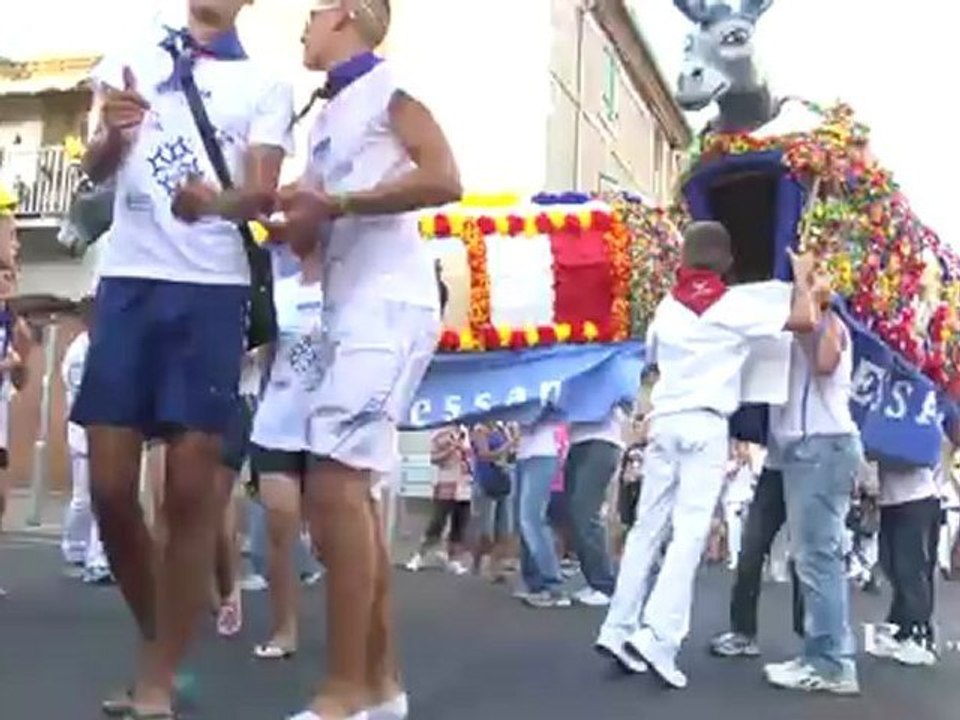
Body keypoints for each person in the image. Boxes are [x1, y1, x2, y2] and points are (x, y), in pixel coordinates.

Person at [71, 1, 295, 716]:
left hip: (211, 293)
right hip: (129, 282)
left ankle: (158, 679)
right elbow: (96, 167)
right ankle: (160, 640)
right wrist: (113, 133)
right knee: (109, 489)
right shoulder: (130, 49)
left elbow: (262, 194)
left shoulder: (265, 82)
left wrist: (216, 201)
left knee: (191, 495)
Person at [261, 2, 461, 717]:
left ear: (346, 12)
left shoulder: (391, 88)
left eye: (312, 12)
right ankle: (381, 689)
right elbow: (318, 232)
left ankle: (344, 691)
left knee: (335, 490)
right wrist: (288, 224)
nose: (303, 24)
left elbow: (445, 178)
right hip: (353, 307)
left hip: (389, 305)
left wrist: (334, 202)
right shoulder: (325, 118)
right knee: (352, 500)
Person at [595, 221, 818, 689]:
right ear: (728, 262)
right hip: (707, 423)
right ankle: (660, 635)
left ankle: (618, 627)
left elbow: (652, 357)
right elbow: (804, 320)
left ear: (684, 259)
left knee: (647, 528)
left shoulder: (667, 307)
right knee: (690, 533)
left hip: (666, 421)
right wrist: (801, 276)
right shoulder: (735, 303)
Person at [763, 283, 862, 695]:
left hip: (823, 445)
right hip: (803, 448)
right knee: (813, 557)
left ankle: (832, 663)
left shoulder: (831, 323)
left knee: (818, 558)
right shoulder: (792, 326)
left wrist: (805, 287)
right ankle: (823, 656)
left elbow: (823, 363)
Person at [248, 246, 325, 658]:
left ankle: (354, 631)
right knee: (281, 529)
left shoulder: (348, 287)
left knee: (333, 538)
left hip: (332, 428)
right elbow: (265, 354)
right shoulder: (281, 291)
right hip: (279, 423)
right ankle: (284, 630)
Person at [865, 460, 942, 667]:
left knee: (910, 570)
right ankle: (900, 629)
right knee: (893, 566)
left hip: (916, 499)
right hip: (894, 501)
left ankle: (920, 637)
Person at [60, 298, 113, 584]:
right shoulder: (80, 352)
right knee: (84, 499)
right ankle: (77, 547)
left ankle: (96, 557)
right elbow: (87, 392)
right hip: (84, 433)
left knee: (100, 496)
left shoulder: (106, 345)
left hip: (105, 433)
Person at [565, 408, 624, 606]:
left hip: (601, 441)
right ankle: (595, 581)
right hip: (578, 441)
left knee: (585, 512)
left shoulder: (608, 379)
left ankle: (604, 585)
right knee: (575, 513)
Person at [514, 420, 571, 608]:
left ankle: (552, 586)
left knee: (531, 518)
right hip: (524, 454)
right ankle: (535, 584)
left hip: (543, 453)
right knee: (523, 519)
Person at [405, 425, 473, 575]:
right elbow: (433, 458)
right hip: (446, 482)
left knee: (460, 523)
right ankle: (419, 555)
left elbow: (472, 457)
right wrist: (452, 449)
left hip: (465, 484)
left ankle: (454, 559)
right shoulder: (440, 433)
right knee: (437, 521)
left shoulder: (467, 432)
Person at [470, 422, 515, 582]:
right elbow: (484, 455)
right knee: (485, 529)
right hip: (484, 482)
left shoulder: (502, 429)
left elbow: (511, 454)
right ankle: (478, 562)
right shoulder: (480, 430)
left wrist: (510, 444)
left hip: (502, 480)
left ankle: (494, 567)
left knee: (503, 528)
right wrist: (509, 444)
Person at [722, 441, 756, 571]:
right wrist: (738, 464)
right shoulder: (730, 464)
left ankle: (748, 558)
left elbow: (755, 477)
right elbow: (726, 476)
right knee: (734, 531)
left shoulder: (751, 463)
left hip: (748, 498)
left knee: (748, 531)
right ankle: (734, 557)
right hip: (733, 500)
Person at [939, 448, 960, 580]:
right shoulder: (953, 454)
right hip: (951, 502)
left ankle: (947, 563)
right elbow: (953, 475)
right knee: (948, 535)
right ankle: (945, 564)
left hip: (952, 501)